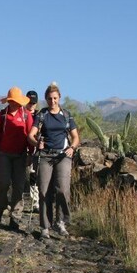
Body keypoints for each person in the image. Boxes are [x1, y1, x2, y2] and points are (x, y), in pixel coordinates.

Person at [27, 82, 79, 239]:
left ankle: (60, 221)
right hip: (45, 155)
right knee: (43, 191)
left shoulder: (67, 116)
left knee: (62, 189)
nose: (52, 101)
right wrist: (37, 143)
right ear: (45, 99)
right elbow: (30, 135)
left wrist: (72, 147)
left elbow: (75, 137)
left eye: (55, 98)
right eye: (49, 99)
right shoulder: (42, 115)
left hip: (63, 156)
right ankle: (45, 226)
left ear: (59, 98)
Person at [0, 87, 34, 230]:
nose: (15, 104)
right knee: (2, 183)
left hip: (21, 156)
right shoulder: (2, 115)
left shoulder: (26, 115)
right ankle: (0, 208)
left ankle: (15, 217)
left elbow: (30, 136)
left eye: (16, 101)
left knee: (19, 186)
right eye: (12, 101)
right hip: (4, 154)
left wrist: (31, 154)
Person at [25, 90, 40, 212]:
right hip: (20, 148)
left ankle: (35, 201)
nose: (31, 104)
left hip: (34, 147)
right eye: (29, 102)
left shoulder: (39, 116)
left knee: (34, 175)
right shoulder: (21, 114)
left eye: (33, 102)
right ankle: (12, 199)